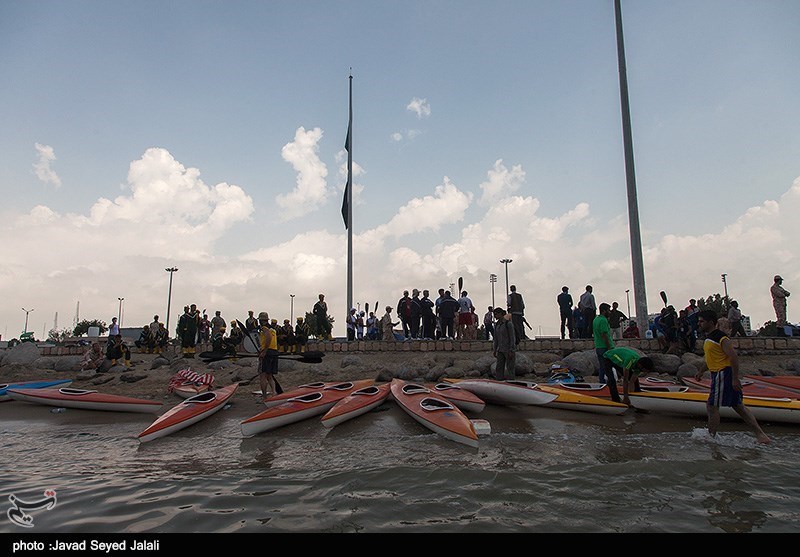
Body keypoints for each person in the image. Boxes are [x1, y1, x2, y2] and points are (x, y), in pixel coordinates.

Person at [694, 310, 770, 444]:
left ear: (711, 322)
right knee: (738, 406)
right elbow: (710, 359)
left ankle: (711, 436)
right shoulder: (708, 338)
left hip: (723, 374)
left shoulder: (721, 337)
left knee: (712, 405)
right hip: (717, 373)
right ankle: (761, 435)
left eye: (701, 321)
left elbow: (733, 357)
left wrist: (735, 378)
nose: (699, 324)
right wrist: (701, 372)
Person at [257, 311, 279, 398]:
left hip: (268, 352)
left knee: (263, 375)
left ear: (261, 320)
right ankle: (274, 393)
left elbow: (268, 338)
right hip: (274, 352)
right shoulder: (272, 329)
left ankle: (265, 396)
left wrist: (264, 351)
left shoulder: (264, 328)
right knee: (269, 375)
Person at [492, 307, 516, 380]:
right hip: (500, 350)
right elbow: (496, 338)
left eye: (496, 314)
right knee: (499, 367)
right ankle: (499, 380)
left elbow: (512, 338)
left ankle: (511, 381)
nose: (495, 316)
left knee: (510, 368)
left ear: (500, 314)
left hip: (508, 349)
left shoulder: (508, 324)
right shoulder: (497, 325)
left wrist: (512, 349)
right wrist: (495, 349)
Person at [593, 303, 615, 382]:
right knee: (608, 367)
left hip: (598, 346)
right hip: (604, 347)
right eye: (608, 310)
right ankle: (611, 383)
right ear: (604, 311)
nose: (610, 312)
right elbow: (604, 334)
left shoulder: (596, 319)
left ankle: (602, 382)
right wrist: (609, 347)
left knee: (602, 366)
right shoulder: (603, 320)